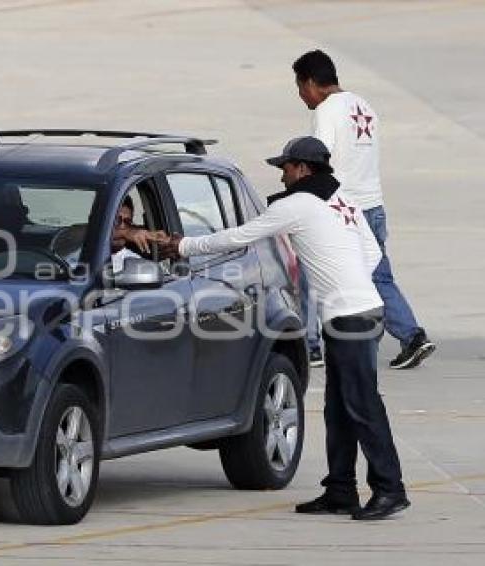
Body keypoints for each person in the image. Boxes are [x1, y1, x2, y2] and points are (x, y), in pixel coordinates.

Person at [158, 137, 410, 520]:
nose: (283, 174)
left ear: (304, 169)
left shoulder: (297, 205)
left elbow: (239, 236)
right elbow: (373, 254)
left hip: (350, 317)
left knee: (361, 405)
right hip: (364, 311)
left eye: (287, 167)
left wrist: (184, 246)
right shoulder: (344, 200)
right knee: (338, 408)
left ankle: (390, 490)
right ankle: (340, 490)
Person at [292, 49, 435, 370]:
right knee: (379, 276)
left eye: (301, 88)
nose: (302, 96)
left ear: (313, 82)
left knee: (310, 269)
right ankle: (412, 336)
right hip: (373, 205)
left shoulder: (327, 110)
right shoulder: (364, 106)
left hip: (342, 207)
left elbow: (318, 159)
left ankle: (309, 346)